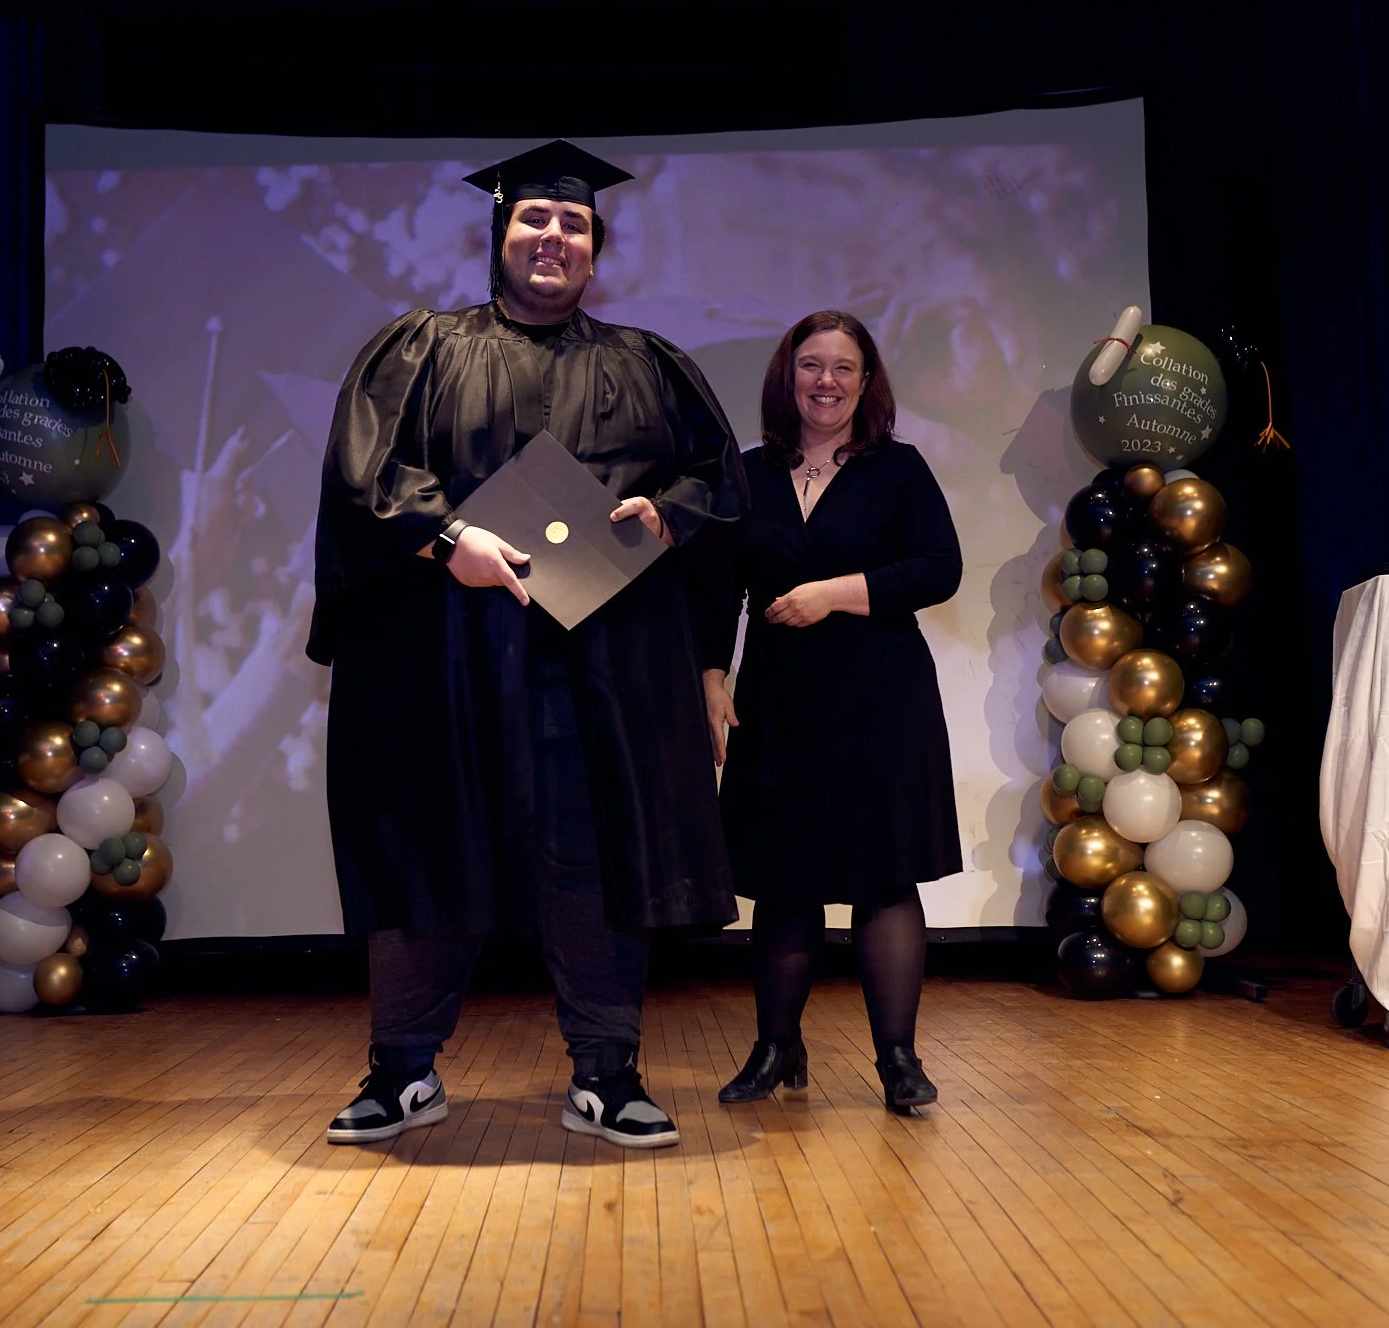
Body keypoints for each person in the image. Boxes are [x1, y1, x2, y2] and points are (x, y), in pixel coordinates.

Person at [307, 141, 745, 1148]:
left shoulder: (644, 364)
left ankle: (606, 1070)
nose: (553, 237)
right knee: (431, 847)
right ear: (498, 233)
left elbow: (717, 481)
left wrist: (670, 510)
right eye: (534, 221)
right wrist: (444, 536)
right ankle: (400, 1069)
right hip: (447, 658)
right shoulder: (418, 350)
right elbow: (362, 476)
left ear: (595, 250)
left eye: (573, 225)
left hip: (594, 667)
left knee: (587, 859)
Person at [703, 310, 963, 1114]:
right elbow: (717, 587)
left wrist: (835, 594)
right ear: (788, 376)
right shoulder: (745, 473)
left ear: (866, 381)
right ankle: (778, 1049)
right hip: (779, 700)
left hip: (882, 698)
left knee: (885, 881)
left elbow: (938, 568)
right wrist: (713, 675)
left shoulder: (900, 468)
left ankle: (898, 1061)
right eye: (811, 365)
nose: (826, 381)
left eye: (844, 367)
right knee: (784, 884)